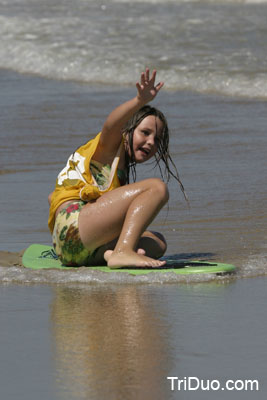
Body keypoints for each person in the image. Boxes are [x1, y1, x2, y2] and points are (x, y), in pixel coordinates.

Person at [48, 68, 186, 268]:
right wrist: (139, 101)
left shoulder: (111, 169)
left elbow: (52, 197)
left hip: (75, 248)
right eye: (145, 133)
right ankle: (123, 252)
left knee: (157, 241)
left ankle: (113, 253)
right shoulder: (110, 147)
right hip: (75, 230)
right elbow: (110, 125)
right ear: (127, 129)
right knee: (156, 188)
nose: (150, 142)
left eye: (156, 140)